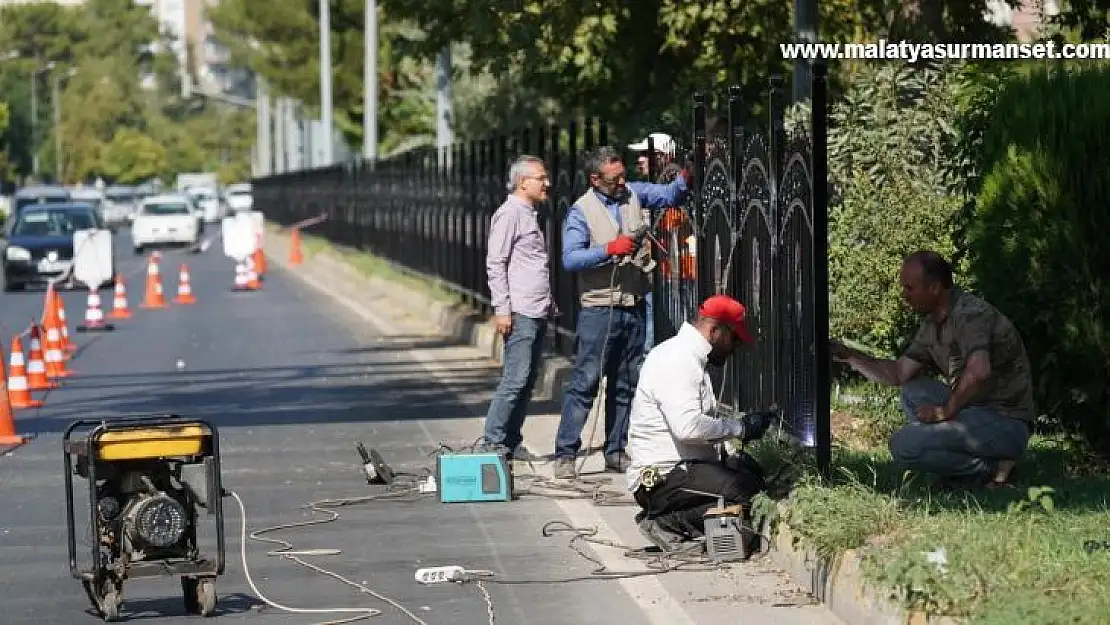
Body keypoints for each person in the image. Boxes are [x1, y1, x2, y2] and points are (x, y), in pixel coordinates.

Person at [831, 250, 1034, 488]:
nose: (904, 296)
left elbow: (979, 371)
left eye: (909, 288)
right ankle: (965, 464)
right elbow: (898, 374)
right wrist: (849, 356)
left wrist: (945, 411)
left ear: (935, 288)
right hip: (973, 410)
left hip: (1006, 422)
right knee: (912, 392)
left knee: (903, 445)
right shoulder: (932, 324)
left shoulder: (971, 315)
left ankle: (991, 468)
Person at [553, 145, 691, 479]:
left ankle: (615, 451)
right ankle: (566, 453)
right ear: (595, 178)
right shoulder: (580, 211)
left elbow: (671, 195)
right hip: (600, 309)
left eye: (623, 175)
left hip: (633, 304)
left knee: (626, 383)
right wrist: (607, 250)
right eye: (614, 179)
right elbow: (570, 258)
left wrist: (689, 173)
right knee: (586, 381)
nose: (622, 182)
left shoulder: (634, 194)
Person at [627, 294, 773, 550]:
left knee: (754, 477)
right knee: (748, 493)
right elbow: (688, 427)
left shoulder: (690, 357)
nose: (735, 347)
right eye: (734, 338)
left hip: (683, 469)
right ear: (715, 330)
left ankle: (674, 519)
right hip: (662, 478)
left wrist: (729, 451)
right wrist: (740, 428)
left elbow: (699, 423)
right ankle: (665, 523)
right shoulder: (678, 359)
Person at [479, 155, 555, 461]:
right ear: (523, 182)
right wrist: (502, 309)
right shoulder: (509, 214)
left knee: (526, 380)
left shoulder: (529, 213)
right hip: (520, 311)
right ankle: (492, 441)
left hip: (536, 309)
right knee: (515, 379)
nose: (546, 183)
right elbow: (496, 262)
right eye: (540, 177)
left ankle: (511, 440)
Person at [627, 132, 678, 354]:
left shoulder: (672, 185)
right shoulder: (653, 186)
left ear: (662, 156)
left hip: (675, 271)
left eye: (645, 154)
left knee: (664, 334)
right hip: (656, 272)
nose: (639, 160)